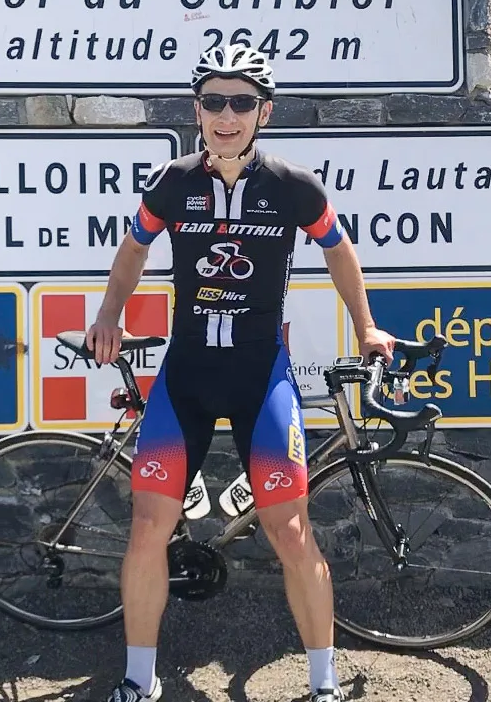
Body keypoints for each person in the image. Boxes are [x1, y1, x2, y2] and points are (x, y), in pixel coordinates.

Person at [85, 44, 398, 702]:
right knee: (148, 526)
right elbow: (132, 250)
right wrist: (109, 312)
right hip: (187, 376)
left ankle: (322, 682)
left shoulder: (292, 186)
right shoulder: (172, 181)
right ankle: (137, 681)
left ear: (264, 111)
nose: (226, 116)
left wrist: (366, 324)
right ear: (196, 109)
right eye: (213, 101)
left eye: (241, 102)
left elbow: (340, 253)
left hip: (261, 378)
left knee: (289, 528)